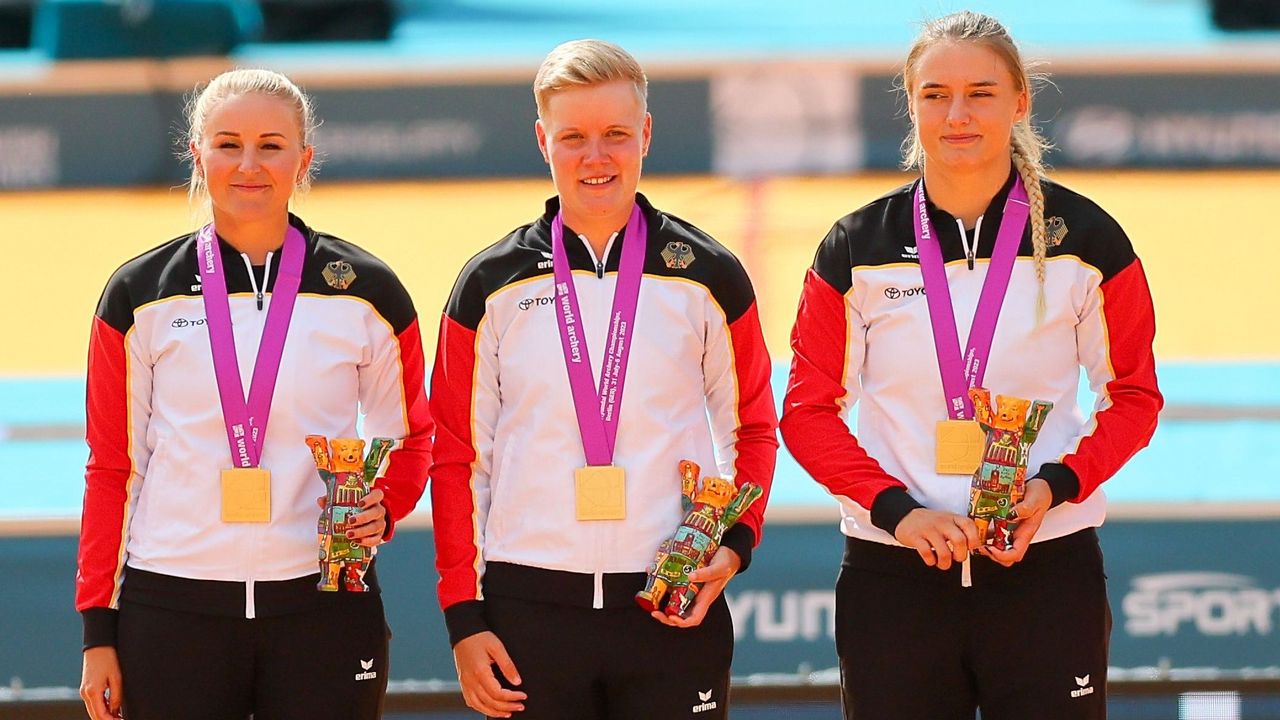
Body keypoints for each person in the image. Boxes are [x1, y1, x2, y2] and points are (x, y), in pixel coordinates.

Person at [779, 11, 1162, 720]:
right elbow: (806, 413)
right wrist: (898, 513)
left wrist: (1055, 488)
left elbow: (1134, 397)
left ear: (1020, 102)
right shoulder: (856, 247)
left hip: (1046, 569)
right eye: (934, 94)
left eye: (981, 92)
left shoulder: (1087, 240)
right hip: (895, 576)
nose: (957, 114)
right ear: (911, 101)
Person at [429, 39, 777, 720]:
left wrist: (734, 548)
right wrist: (464, 619)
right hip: (527, 613)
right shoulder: (488, 285)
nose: (597, 157)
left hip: (671, 604)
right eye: (574, 137)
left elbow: (754, 429)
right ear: (542, 141)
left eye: (616, 134)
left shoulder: (708, 274)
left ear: (645, 133)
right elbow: (457, 456)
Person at [76, 68, 433, 720]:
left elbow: (409, 440)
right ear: (197, 154)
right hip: (172, 607)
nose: (249, 164)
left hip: (325, 605)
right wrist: (98, 631)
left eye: (271, 144)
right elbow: (111, 469)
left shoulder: (367, 291)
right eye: (227, 143)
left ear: (304, 159)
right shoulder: (138, 295)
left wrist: (384, 506)